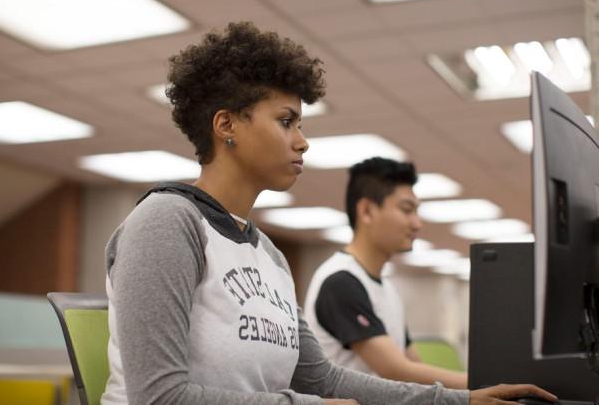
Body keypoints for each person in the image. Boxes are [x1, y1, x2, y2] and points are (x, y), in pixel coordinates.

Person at [100, 21, 556, 405]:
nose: (302, 141)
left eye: (301, 124)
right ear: (226, 126)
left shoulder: (269, 256)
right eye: (286, 121)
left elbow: (323, 379)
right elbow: (158, 397)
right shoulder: (166, 222)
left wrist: (463, 400)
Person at [303, 158, 465, 388]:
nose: (417, 223)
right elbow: (396, 370)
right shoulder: (341, 281)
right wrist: (477, 386)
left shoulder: (387, 290)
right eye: (406, 210)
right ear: (367, 211)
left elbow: (412, 362)